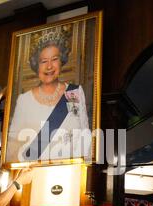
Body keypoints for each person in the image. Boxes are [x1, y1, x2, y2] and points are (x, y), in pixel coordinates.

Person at [6, 26, 91, 163]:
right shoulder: (25, 100)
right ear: (36, 65)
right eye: (43, 61)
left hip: (69, 169)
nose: (49, 66)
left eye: (54, 59)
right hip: (34, 171)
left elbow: (84, 133)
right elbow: (13, 144)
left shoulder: (74, 92)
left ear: (61, 61)